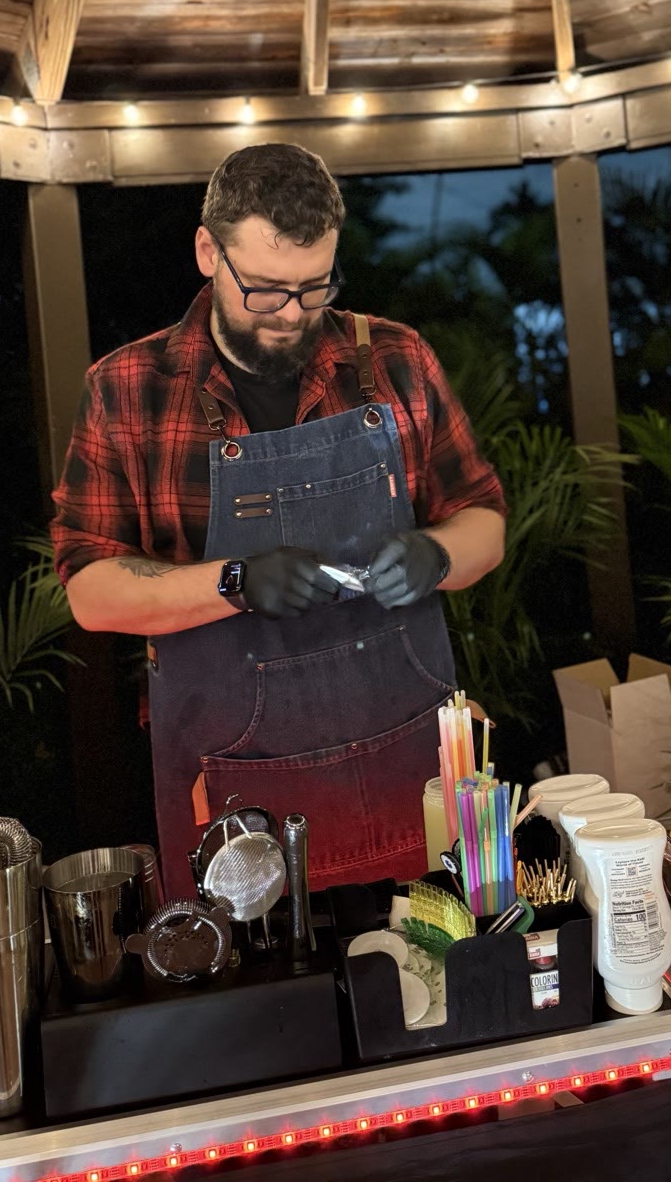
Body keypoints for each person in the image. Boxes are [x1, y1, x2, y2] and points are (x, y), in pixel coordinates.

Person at [50, 143, 506, 895]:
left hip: (415, 774)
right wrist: (234, 581)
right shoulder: (128, 390)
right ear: (208, 251)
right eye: (264, 290)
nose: (291, 315)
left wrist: (438, 553)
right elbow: (92, 594)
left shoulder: (394, 360)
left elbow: (483, 522)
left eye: (314, 288)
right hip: (235, 806)